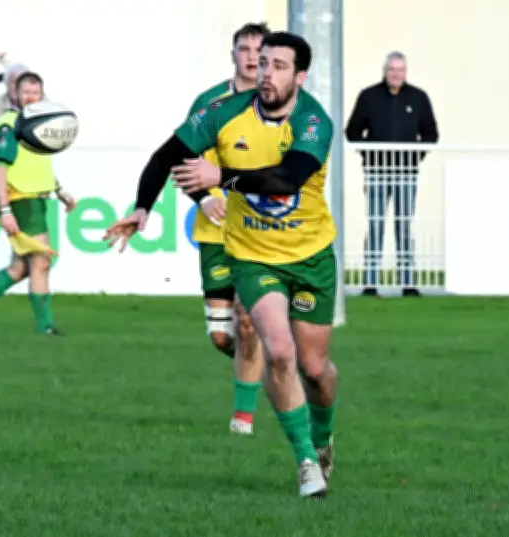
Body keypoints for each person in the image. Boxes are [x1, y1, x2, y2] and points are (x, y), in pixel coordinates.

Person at [104, 32, 337, 498]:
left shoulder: (313, 121)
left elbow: (286, 180)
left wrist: (221, 178)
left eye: (279, 66)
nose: (266, 73)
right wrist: (142, 207)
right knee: (279, 350)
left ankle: (325, 436)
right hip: (252, 255)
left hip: (310, 255)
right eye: (263, 63)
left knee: (314, 368)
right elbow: (166, 155)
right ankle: (306, 462)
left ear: (300, 76)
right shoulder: (225, 110)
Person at [184, 21, 269, 437]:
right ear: (233, 54)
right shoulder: (209, 103)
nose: (252, 57)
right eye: (244, 49)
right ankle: (265, 359)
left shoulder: (283, 105)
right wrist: (204, 198)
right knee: (222, 335)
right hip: (215, 230)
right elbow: (181, 160)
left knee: (248, 320)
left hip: (260, 229)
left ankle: (243, 419)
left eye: (259, 50)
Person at [0, 72, 76, 336]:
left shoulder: (38, 125)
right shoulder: (9, 124)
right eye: (26, 92)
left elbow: (36, 166)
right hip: (23, 200)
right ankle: (46, 328)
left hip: (37, 199)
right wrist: (5, 209)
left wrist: (60, 191)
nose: (31, 97)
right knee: (41, 262)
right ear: (15, 94)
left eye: (36, 93)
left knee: (19, 269)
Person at [345, 51, 438, 297]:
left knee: (403, 225)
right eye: (392, 70)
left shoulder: (418, 98)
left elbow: (430, 134)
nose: (396, 75)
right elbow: (353, 130)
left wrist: (413, 158)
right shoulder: (369, 97)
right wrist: (369, 155)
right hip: (376, 172)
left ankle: (408, 282)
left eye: (400, 70)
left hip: (406, 173)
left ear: (405, 73)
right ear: (384, 71)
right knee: (375, 224)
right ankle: (370, 282)